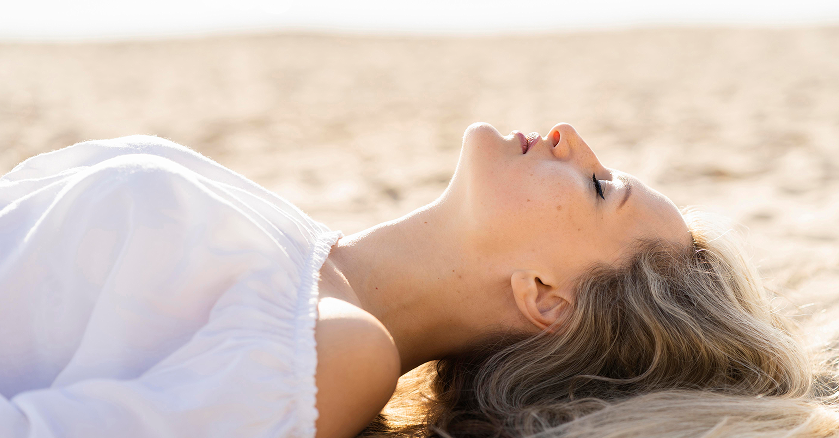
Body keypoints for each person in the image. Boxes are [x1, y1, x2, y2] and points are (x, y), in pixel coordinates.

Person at [0, 122, 835, 438]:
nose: (569, 137)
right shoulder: (285, 248)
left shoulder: (332, 352)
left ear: (545, 296)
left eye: (597, 188)